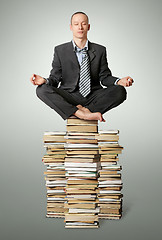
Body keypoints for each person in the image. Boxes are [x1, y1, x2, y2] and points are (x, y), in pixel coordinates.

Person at [30, 12, 134, 122]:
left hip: (93, 96)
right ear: (71, 27)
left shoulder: (100, 50)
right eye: (76, 24)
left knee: (120, 91)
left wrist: (118, 81)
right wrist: (44, 81)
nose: (80, 27)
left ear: (88, 27)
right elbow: (55, 79)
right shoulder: (60, 50)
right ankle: (81, 114)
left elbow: (105, 77)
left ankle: (85, 110)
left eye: (83, 24)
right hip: (69, 95)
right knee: (41, 90)